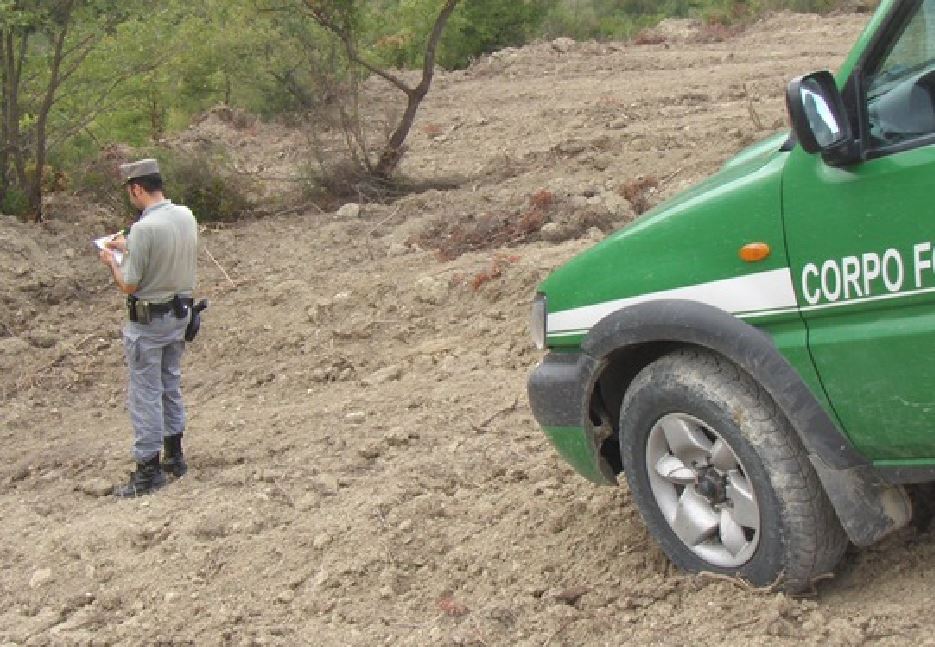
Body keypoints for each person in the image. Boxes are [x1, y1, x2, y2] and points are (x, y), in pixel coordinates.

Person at [98, 158, 198, 497]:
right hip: (179, 315)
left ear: (137, 188)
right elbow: (165, 251)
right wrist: (128, 246)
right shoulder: (185, 215)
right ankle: (175, 456)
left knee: (145, 394)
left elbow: (129, 284)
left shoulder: (143, 228)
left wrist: (112, 261)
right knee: (170, 384)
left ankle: (147, 471)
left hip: (148, 322)